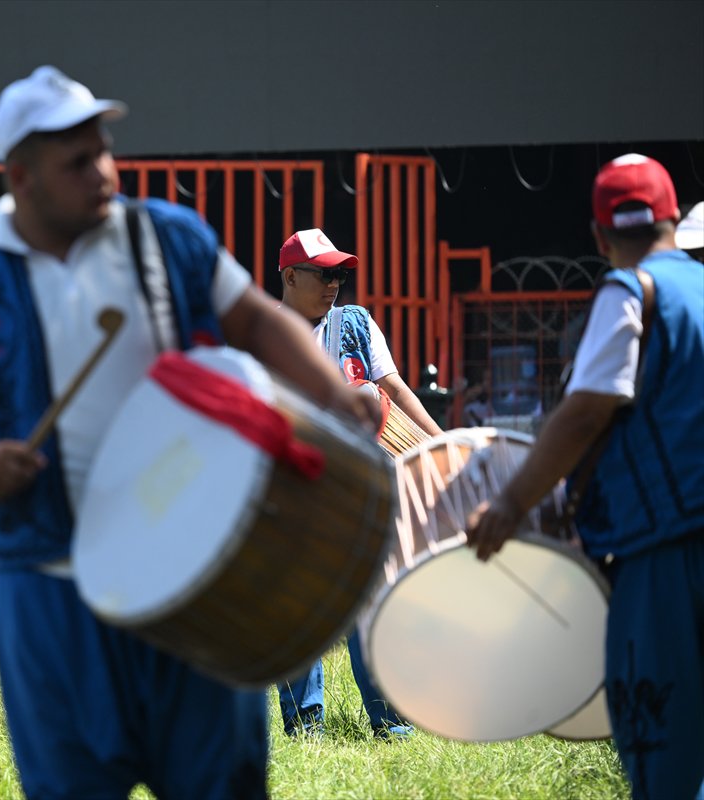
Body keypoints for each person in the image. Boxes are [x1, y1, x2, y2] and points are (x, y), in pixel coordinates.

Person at [0, 65, 380, 799]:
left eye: (104, 148)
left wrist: (334, 395)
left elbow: (258, 321)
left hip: (196, 570)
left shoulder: (167, 238)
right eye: (76, 161)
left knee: (220, 785)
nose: (103, 170)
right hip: (49, 589)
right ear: (20, 174)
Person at [467, 153, 704, 800]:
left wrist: (510, 505)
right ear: (674, 218)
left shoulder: (629, 293)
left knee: (665, 747)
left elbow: (583, 414)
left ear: (599, 237)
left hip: (664, 554)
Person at [274, 228, 441, 739]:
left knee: (373, 604)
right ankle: (307, 734)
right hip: (296, 494)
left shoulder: (355, 324)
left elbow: (394, 388)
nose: (335, 284)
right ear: (290, 276)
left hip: (363, 493)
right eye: (324, 273)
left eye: (340, 273)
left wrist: (442, 444)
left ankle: (393, 728)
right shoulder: (263, 333)